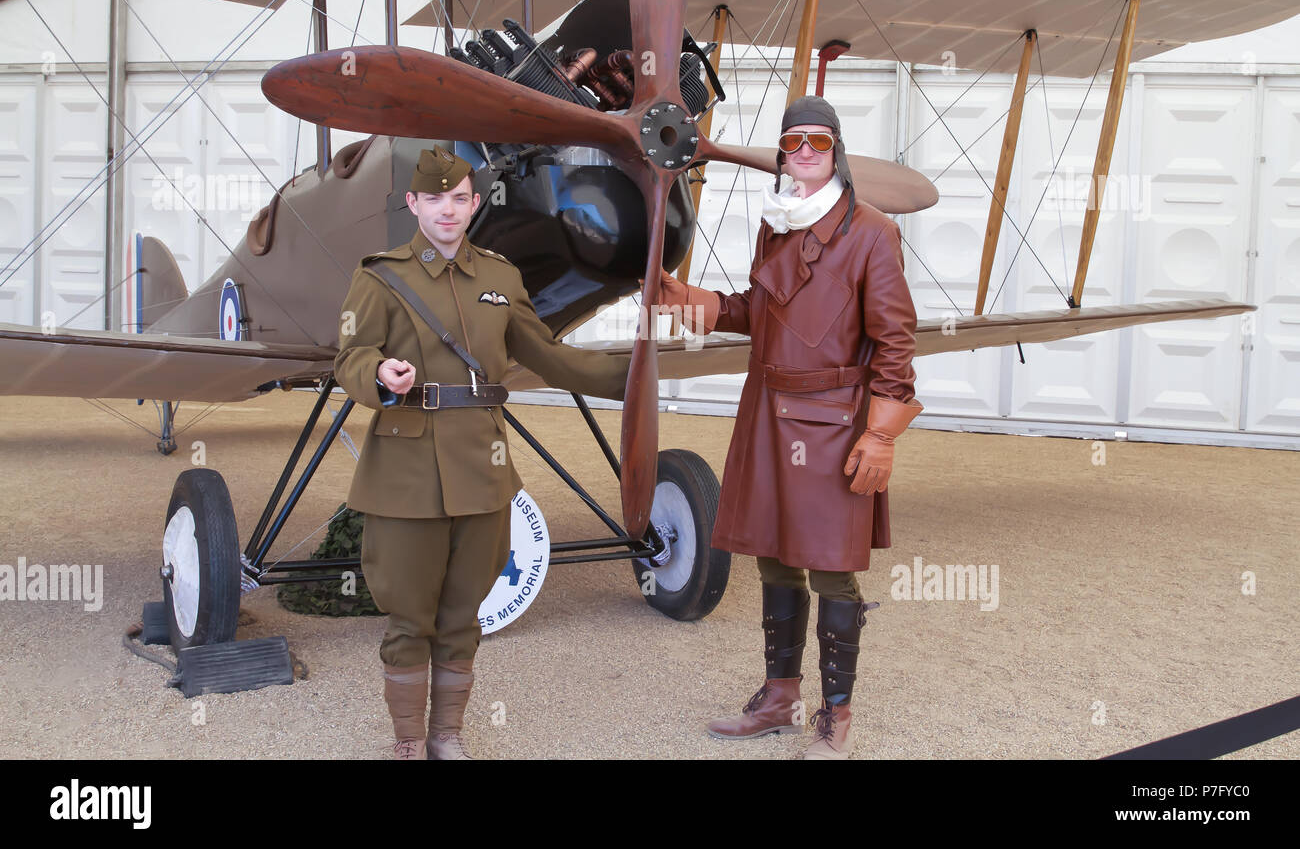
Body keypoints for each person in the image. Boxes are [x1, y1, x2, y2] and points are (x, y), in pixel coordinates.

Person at [335, 146, 630, 759]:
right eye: (434, 199)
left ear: (475, 203)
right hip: (406, 468)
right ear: (413, 204)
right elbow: (348, 359)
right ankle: (409, 743)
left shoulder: (499, 277)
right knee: (409, 619)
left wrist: (630, 378)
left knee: (462, 614)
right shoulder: (379, 276)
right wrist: (378, 373)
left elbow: (547, 354)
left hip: (484, 469)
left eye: (460, 198)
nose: (448, 209)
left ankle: (447, 736)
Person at [651, 96, 922, 759]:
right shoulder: (778, 223)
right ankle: (779, 698)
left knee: (830, 569)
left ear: (836, 152)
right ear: (781, 154)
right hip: (766, 413)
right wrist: (708, 305)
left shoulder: (872, 233)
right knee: (773, 557)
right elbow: (765, 310)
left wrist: (881, 432)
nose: (804, 152)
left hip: (833, 420)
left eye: (817, 142)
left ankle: (836, 716)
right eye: (792, 142)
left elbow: (896, 340)